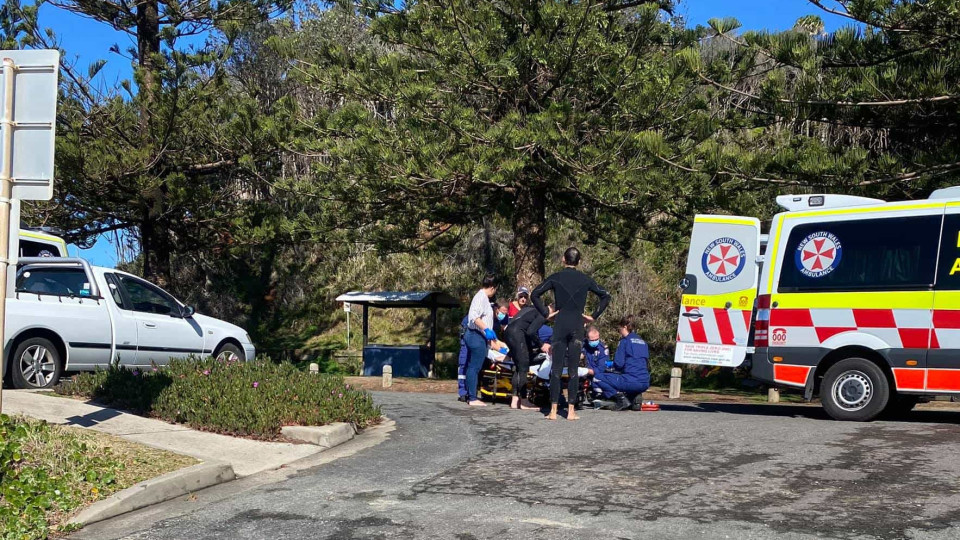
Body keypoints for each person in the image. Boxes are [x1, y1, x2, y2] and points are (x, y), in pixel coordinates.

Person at [532, 247, 611, 421]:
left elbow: (535, 294)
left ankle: (552, 411)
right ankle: (571, 411)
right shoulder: (585, 279)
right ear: (579, 261)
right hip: (577, 324)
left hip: (560, 324)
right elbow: (605, 296)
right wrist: (593, 316)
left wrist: (546, 313)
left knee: (556, 369)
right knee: (574, 369)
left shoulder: (556, 277)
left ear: (563, 259)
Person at [593, 315, 650, 411]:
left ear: (625, 327)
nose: (619, 330)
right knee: (627, 378)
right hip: (645, 382)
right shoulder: (643, 342)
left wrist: (609, 366)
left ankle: (620, 399)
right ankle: (634, 397)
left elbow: (619, 364)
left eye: (619, 328)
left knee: (597, 378)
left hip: (631, 380)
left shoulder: (624, 341)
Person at [503, 302, 553, 410]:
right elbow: (531, 332)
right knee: (524, 367)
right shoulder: (544, 312)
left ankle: (515, 400)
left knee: (518, 366)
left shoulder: (532, 308)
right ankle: (524, 402)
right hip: (517, 333)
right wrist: (541, 344)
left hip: (508, 332)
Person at [464, 275, 499, 407]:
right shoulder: (481, 297)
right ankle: (472, 398)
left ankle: (472, 395)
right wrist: (486, 329)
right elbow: (474, 317)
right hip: (476, 335)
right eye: (495, 289)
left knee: (474, 366)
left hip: (480, 336)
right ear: (492, 287)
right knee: (474, 367)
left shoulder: (483, 298)